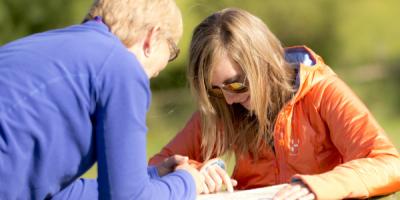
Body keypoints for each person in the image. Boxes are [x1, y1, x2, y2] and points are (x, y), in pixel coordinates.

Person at [149, 8, 400, 199]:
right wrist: (199, 172)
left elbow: (389, 163)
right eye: (215, 90)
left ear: (263, 63)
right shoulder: (224, 105)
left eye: (236, 84)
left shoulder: (321, 92)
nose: (228, 99)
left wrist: (314, 188)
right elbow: (155, 167)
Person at [0, 0, 204, 199]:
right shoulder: (121, 67)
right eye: (172, 50)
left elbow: (52, 192)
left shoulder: (41, 46)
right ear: (152, 36)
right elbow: (127, 198)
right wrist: (186, 182)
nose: (161, 69)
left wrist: (151, 177)